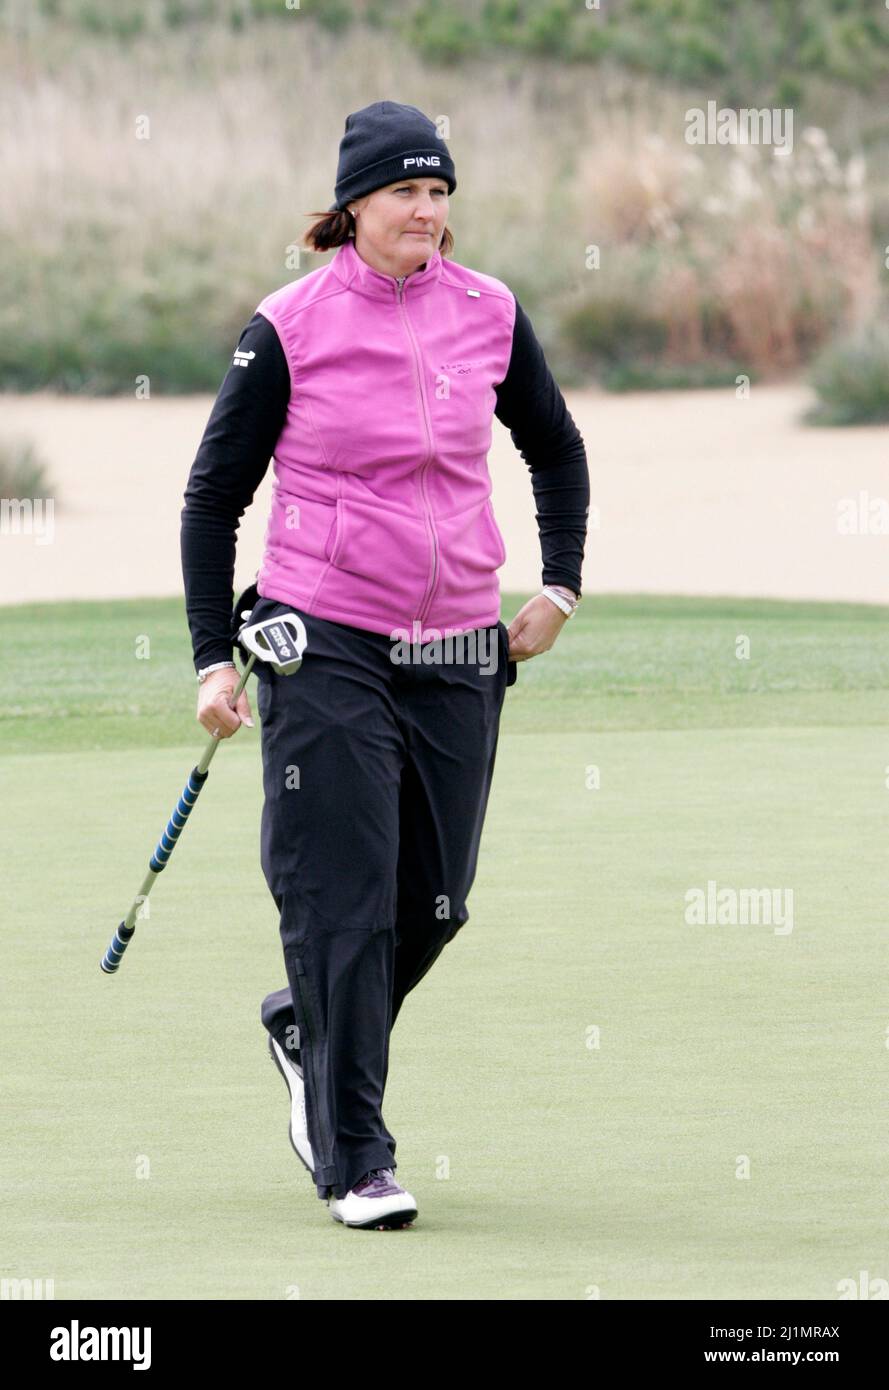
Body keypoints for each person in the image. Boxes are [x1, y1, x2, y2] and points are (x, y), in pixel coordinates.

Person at [180, 100, 589, 1230]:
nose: (426, 210)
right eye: (405, 191)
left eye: (440, 191)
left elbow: (552, 445)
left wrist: (558, 584)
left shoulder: (490, 314)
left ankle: (306, 1028)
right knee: (343, 899)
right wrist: (214, 657)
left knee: (438, 898)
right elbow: (215, 495)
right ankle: (356, 1154)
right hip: (325, 637)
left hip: (460, 641)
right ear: (353, 204)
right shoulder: (289, 324)